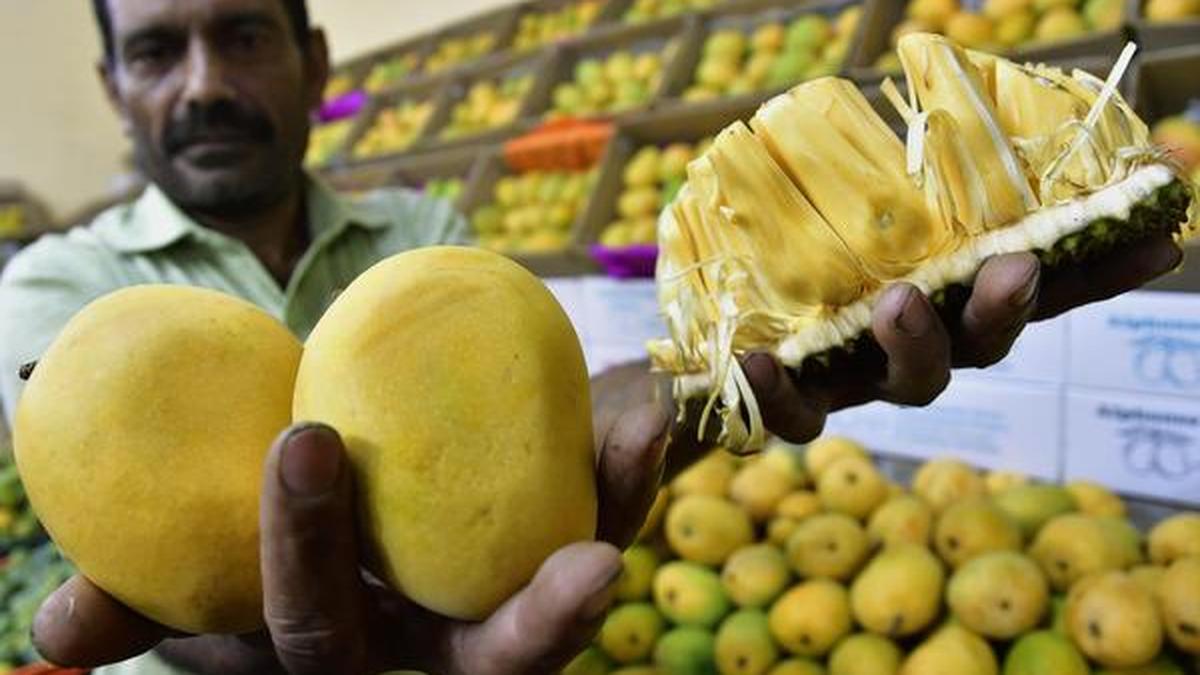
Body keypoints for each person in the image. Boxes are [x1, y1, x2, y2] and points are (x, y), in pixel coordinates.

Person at [0, 0, 1184, 673]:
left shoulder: (426, 240)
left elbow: (551, 409)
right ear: (113, 85)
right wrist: (230, 637)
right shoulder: (61, 295)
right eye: (156, 50)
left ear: (313, 62)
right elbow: (139, 560)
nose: (203, 83)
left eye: (244, 33)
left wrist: (727, 374)